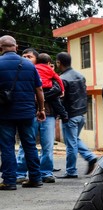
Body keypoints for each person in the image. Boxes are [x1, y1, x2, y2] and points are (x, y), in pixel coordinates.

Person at [0, 36, 46, 190]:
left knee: (7, 146)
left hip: (5, 114)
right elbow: (39, 89)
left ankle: (9, 181)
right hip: (27, 112)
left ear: (1, 48)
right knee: (30, 145)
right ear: (16, 46)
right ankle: (35, 178)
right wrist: (41, 109)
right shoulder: (29, 65)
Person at [15, 49, 61, 184]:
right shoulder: (22, 74)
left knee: (47, 146)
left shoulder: (48, 74)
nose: (26, 58)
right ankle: (20, 173)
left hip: (49, 114)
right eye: (24, 56)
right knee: (25, 145)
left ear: (37, 59)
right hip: (29, 114)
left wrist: (40, 97)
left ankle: (46, 172)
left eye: (29, 56)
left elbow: (58, 89)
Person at [55, 52, 97, 178]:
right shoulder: (80, 76)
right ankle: (90, 157)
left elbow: (60, 99)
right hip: (81, 114)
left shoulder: (62, 79)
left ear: (58, 63)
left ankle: (71, 171)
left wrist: (60, 115)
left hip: (70, 115)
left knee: (71, 143)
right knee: (73, 140)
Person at [35, 53, 68, 122]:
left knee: (38, 101)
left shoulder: (34, 67)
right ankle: (64, 115)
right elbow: (59, 80)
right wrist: (62, 90)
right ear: (49, 63)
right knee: (56, 103)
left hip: (37, 88)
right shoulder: (49, 69)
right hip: (48, 88)